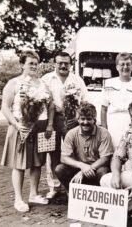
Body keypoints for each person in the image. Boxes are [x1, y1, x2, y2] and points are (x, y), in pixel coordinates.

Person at [0, 50, 54, 212]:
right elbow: (5, 107)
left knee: (37, 163)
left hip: (40, 128)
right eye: (30, 63)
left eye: (36, 63)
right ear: (22, 65)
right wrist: (17, 125)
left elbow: (50, 105)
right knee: (19, 164)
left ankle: (34, 194)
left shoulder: (43, 84)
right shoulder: (14, 83)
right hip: (21, 127)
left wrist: (50, 124)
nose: (34, 66)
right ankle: (18, 199)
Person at [41, 51, 90, 199]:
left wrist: (77, 114)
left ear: (70, 64)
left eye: (66, 63)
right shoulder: (46, 79)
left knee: (73, 152)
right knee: (53, 153)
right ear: (54, 63)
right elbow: (40, 100)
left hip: (73, 121)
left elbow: (85, 100)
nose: (63, 65)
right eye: (60, 63)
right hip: (52, 120)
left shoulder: (77, 80)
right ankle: (54, 186)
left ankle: (71, 185)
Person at [55, 102, 113, 191]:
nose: (85, 122)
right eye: (82, 119)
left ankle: (98, 194)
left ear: (94, 120)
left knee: (104, 171)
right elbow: (64, 158)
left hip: (96, 169)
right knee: (60, 169)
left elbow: (105, 158)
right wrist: (81, 166)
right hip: (78, 168)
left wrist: (85, 171)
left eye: (89, 119)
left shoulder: (103, 133)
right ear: (78, 120)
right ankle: (72, 192)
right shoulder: (71, 133)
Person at [101, 52, 132, 148]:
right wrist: (104, 130)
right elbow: (104, 109)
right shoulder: (108, 83)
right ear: (117, 67)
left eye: (128, 64)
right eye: (122, 64)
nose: (125, 67)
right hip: (114, 125)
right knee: (115, 153)